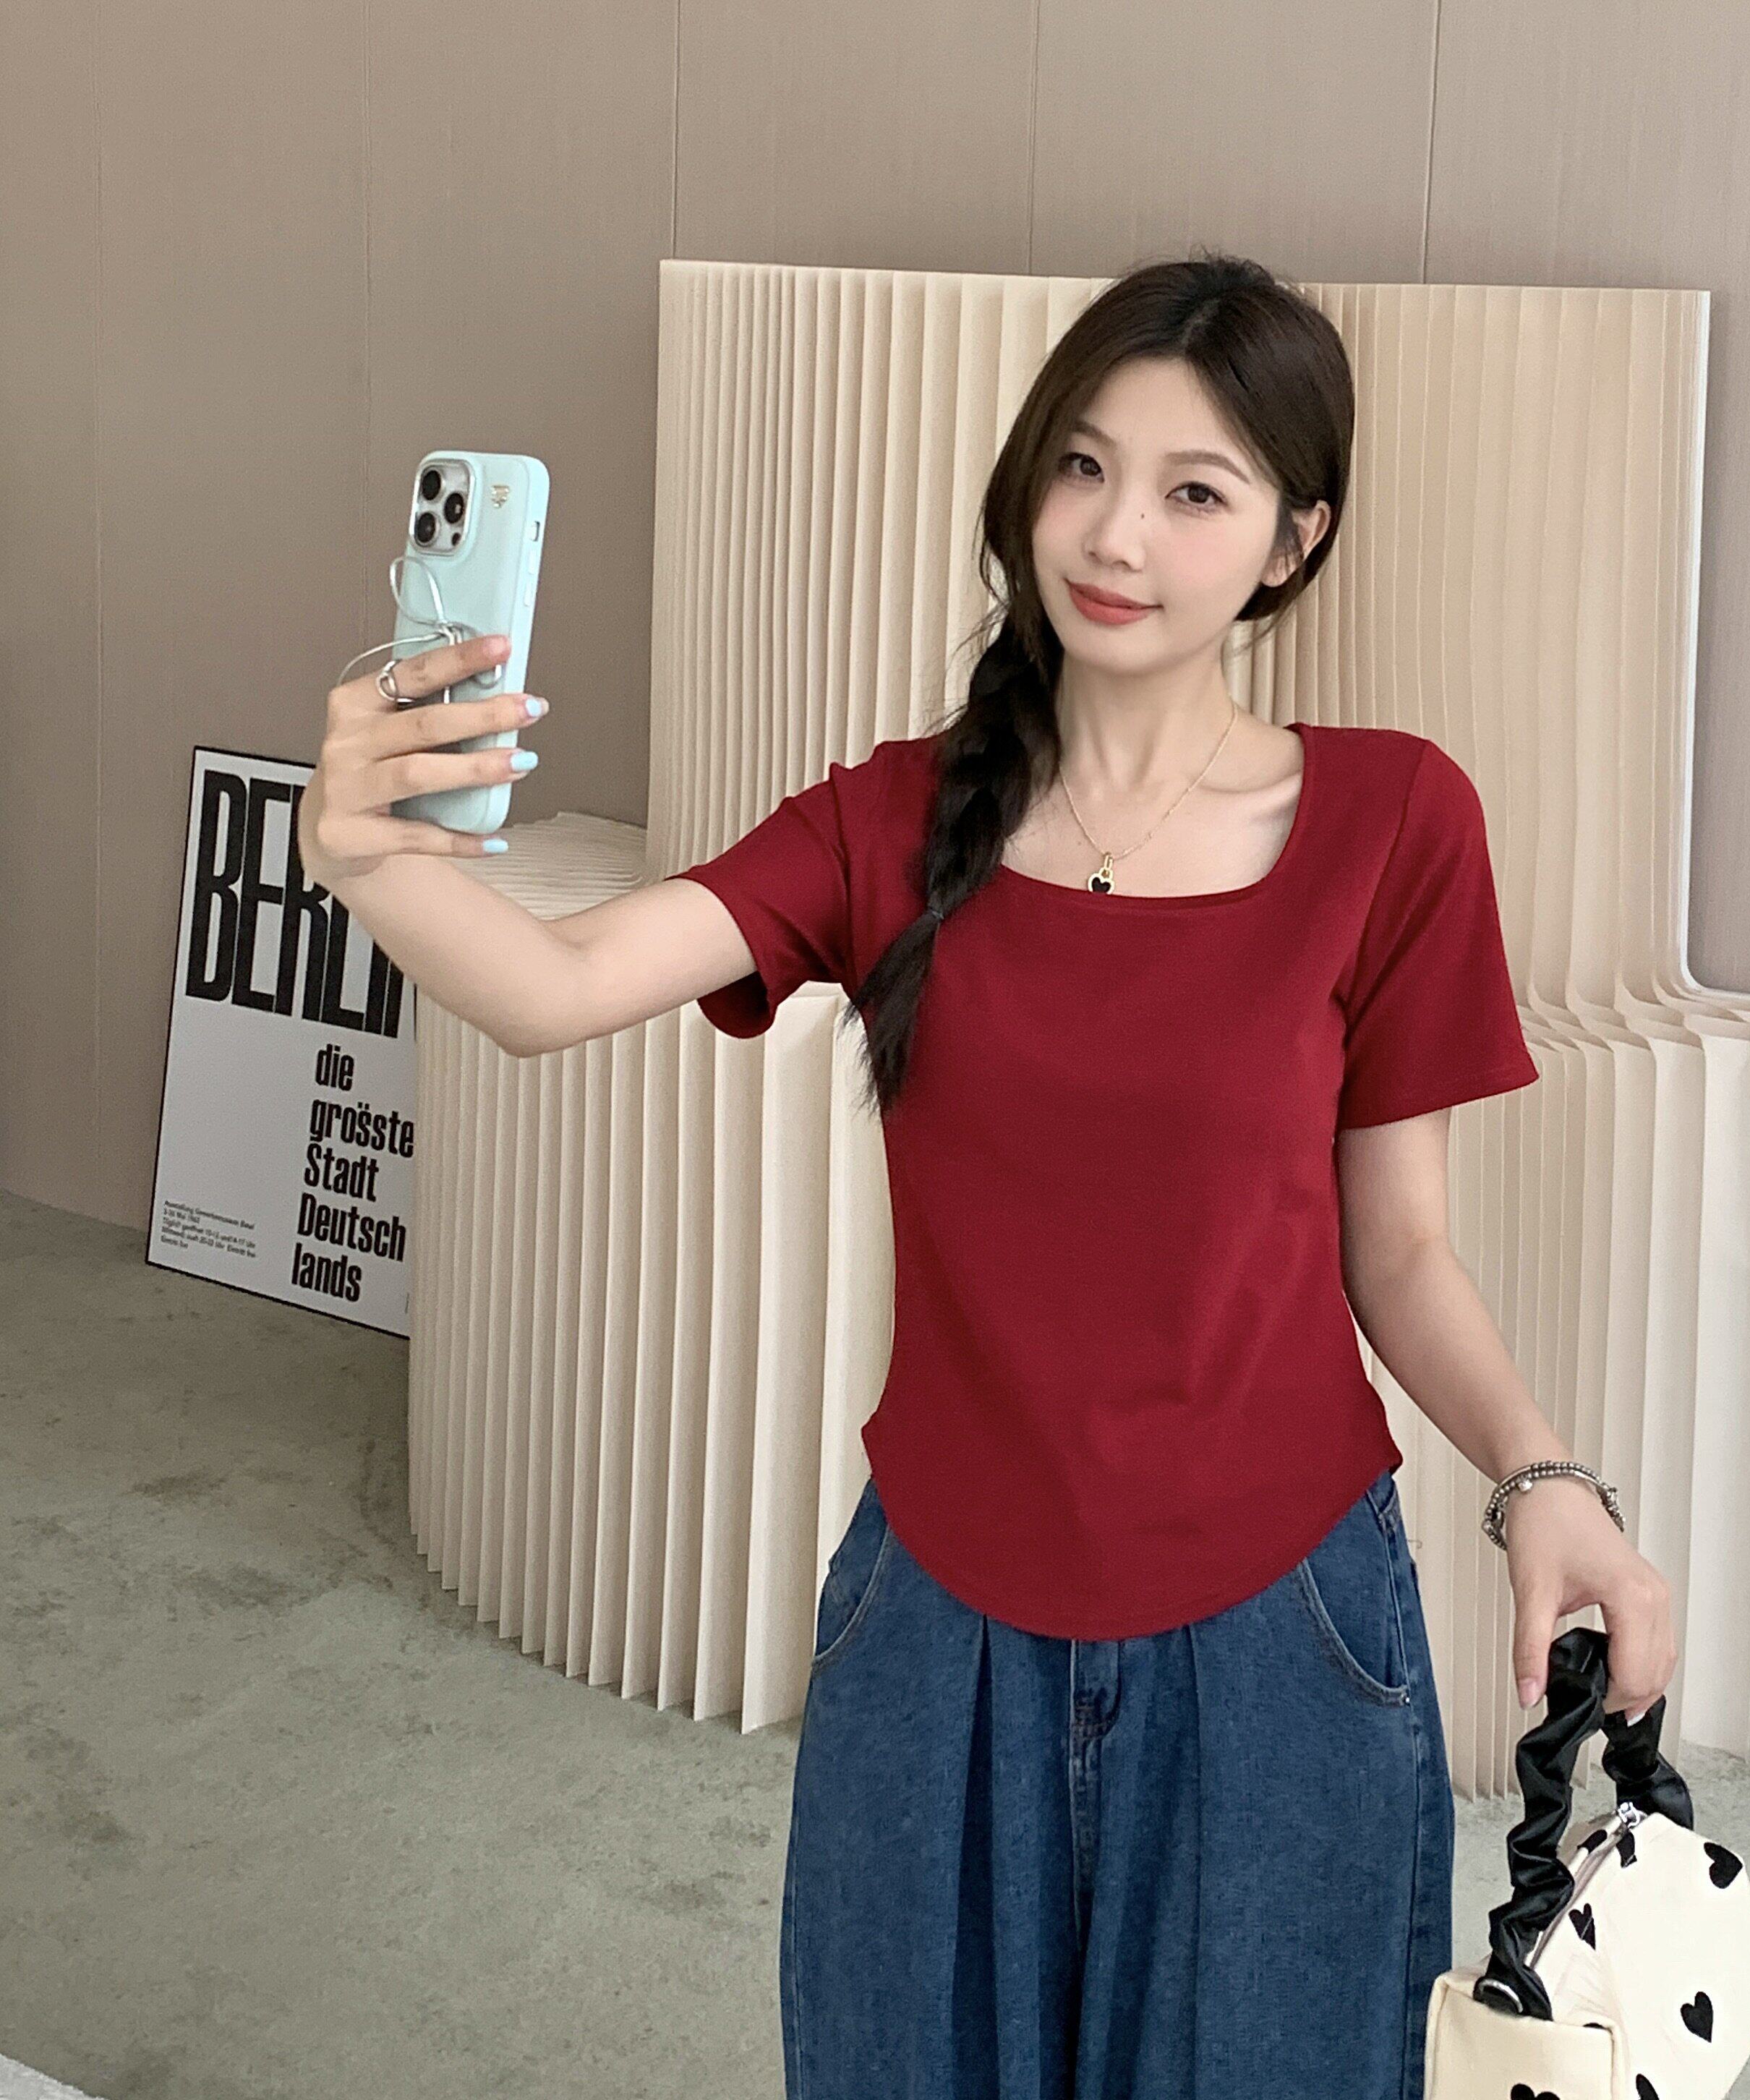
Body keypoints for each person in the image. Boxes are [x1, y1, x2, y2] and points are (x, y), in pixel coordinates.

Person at [302, 250, 1677, 2100]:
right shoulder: (889, 817)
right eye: (1083, 466)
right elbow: (554, 991)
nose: (1116, 534)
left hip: (1284, 1634)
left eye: (1195, 493)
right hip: (938, 1620)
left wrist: (1542, 1475)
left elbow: (1402, 1250)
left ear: (1295, 540)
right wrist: (362, 853)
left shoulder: (1395, 821)